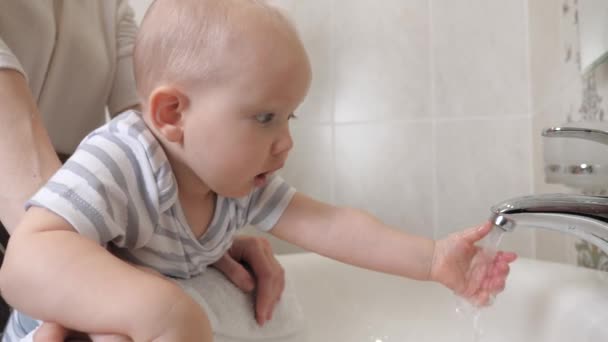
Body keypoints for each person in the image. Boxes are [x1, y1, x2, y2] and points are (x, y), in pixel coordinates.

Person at [0, 0, 518, 341]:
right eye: (265, 118)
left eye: (288, 117)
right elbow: (26, 258)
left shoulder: (235, 183)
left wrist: (432, 259)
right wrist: (157, 308)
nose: (286, 141)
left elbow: (333, 225)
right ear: (172, 116)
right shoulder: (122, 160)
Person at [0, 0, 287, 338]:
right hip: (45, 229)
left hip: (82, 222)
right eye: (266, 117)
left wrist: (195, 232)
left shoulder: (109, 7)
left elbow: (169, 140)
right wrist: (105, 284)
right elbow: (35, 206)